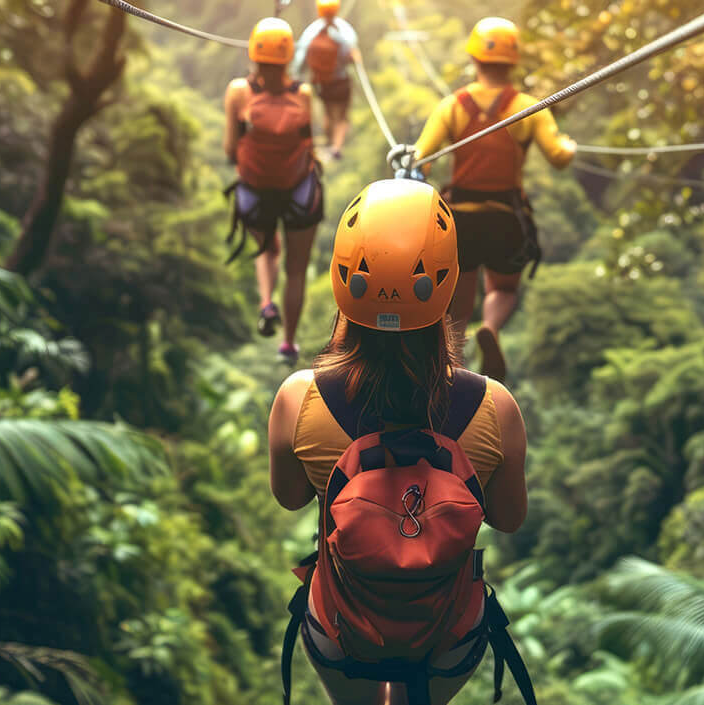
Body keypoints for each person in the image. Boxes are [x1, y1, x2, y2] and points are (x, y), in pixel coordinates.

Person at [268, 180, 534, 705]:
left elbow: (291, 497)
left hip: (343, 629)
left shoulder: (299, 399)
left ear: (342, 278)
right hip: (449, 632)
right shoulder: (495, 407)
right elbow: (508, 518)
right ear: (451, 283)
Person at [411, 17, 576, 383]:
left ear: (475, 59)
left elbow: (422, 156)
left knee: (458, 297)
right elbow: (558, 157)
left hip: (461, 217)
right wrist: (569, 147)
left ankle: (451, 367)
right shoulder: (530, 108)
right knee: (502, 288)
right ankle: (491, 327)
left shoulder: (453, 106)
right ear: (513, 61)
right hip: (506, 215)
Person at [225, 17, 327, 364]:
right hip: (297, 190)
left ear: (253, 53)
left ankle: (266, 303)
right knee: (296, 269)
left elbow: (229, 148)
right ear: (289, 57)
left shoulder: (239, 91)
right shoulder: (303, 94)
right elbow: (309, 142)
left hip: (255, 190)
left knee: (268, 250)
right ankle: (288, 343)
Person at [291, 0, 361, 162]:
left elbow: (300, 57)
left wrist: (294, 76)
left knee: (329, 112)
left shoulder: (311, 32)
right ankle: (336, 147)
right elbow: (350, 56)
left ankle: (330, 142)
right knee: (342, 117)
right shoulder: (345, 31)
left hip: (322, 84)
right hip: (341, 81)